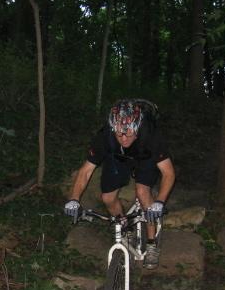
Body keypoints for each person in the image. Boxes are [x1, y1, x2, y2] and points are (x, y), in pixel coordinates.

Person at [64, 99, 176, 269]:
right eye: (119, 134)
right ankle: (124, 226)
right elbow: (85, 171)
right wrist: (74, 199)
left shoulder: (152, 136)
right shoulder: (104, 137)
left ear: (137, 129)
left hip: (145, 157)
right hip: (118, 158)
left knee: (142, 192)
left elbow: (168, 173)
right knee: (107, 198)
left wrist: (159, 202)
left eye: (128, 134)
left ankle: (152, 243)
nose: (123, 138)